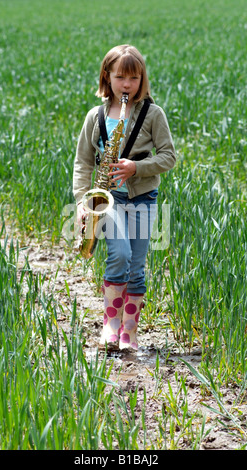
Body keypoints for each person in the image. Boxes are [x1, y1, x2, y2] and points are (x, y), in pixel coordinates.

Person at [73, 44, 176, 352]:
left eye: (133, 78)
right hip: (109, 200)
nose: (127, 85)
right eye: (120, 77)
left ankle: (129, 331)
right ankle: (110, 325)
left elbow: (169, 156)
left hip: (143, 198)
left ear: (141, 79)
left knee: (136, 266)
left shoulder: (152, 113)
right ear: (108, 77)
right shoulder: (95, 116)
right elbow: (83, 162)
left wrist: (136, 167)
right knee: (118, 255)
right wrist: (81, 200)